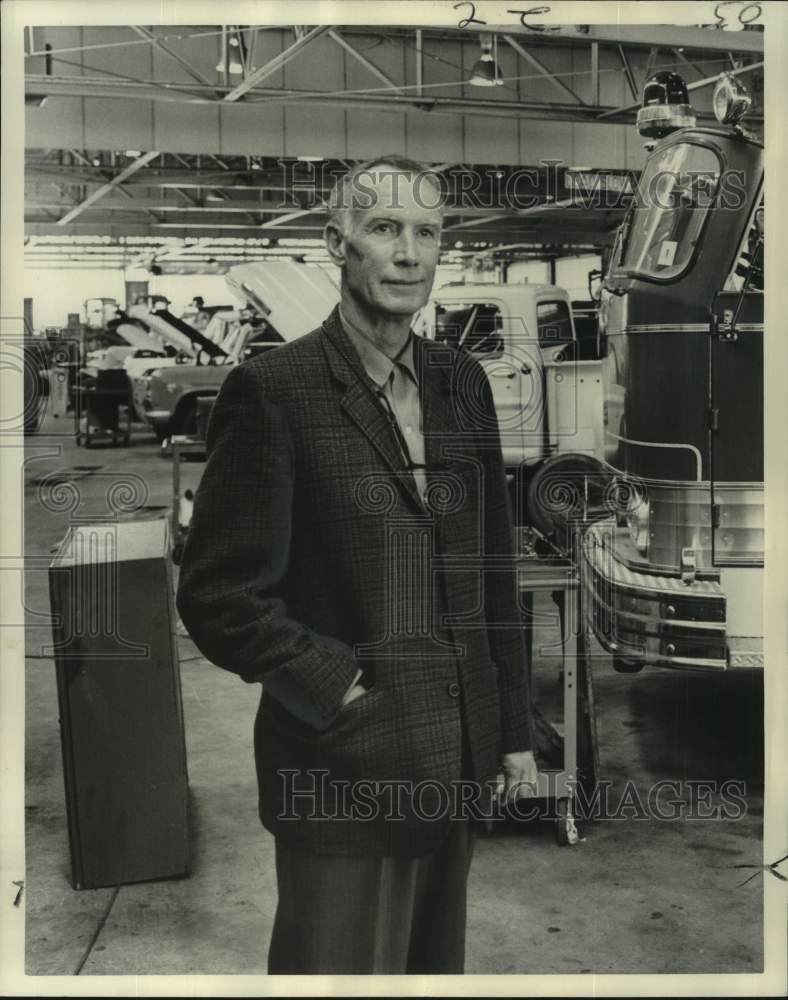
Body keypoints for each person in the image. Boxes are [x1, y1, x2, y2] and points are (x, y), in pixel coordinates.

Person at [176, 155, 537, 975]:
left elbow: (491, 575)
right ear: (337, 243)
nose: (409, 254)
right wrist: (338, 689)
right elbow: (219, 593)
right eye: (385, 230)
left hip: (454, 762)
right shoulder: (274, 390)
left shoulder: (462, 383)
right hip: (339, 770)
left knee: (430, 973)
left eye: (428, 233)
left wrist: (511, 733)